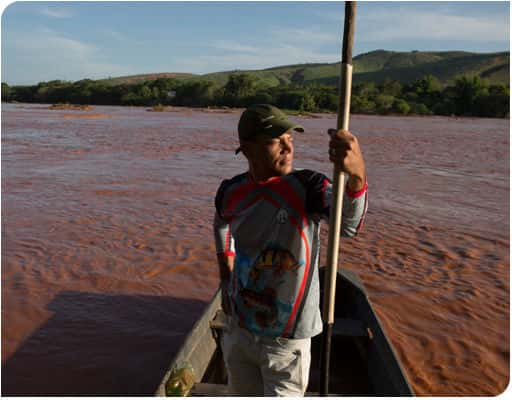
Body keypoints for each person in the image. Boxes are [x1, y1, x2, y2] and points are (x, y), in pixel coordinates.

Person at [213, 104, 367, 396]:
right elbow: (220, 224)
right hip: (240, 328)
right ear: (247, 148)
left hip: (286, 342)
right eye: (275, 140)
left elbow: (349, 226)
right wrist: (225, 272)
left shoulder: (308, 188)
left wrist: (357, 176)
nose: (287, 147)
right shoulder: (230, 191)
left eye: (290, 139)